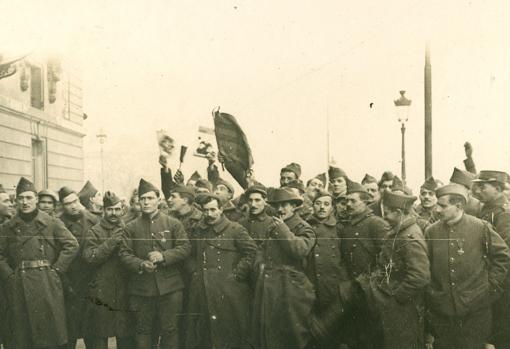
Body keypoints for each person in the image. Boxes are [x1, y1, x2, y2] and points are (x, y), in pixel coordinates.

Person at [425, 184, 510, 349]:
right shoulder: (431, 232)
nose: (437, 210)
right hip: (442, 311)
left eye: (443, 205)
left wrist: (490, 286)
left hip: (475, 311)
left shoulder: (480, 227)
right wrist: (433, 292)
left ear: (459, 206)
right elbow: (426, 264)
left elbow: (502, 256)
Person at [0, 177, 79, 349]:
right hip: (18, 285)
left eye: (28, 198)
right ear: (16, 201)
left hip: (47, 285)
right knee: (22, 337)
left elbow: (71, 245)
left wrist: (56, 270)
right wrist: (9, 275)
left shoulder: (51, 222)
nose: (24, 202)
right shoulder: (8, 226)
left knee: (48, 335)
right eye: (20, 198)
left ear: (36, 198)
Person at [119, 179, 190, 349]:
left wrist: (163, 256)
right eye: (143, 199)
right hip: (142, 288)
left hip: (171, 288)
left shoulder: (173, 223)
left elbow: (185, 247)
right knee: (143, 330)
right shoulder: (131, 227)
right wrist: (141, 264)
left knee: (170, 330)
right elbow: (124, 253)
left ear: (159, 200)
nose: (146, 202)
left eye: (150, 198)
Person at [358, 190, 430, 348]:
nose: (384, 216)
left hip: (403, 309)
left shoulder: (409, 237)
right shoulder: (400, 231)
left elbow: (420, 276)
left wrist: (397, 298)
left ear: (398, 212)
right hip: (394, 307)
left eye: (388, 213)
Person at [186, 193, 256, 349]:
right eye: (205, 210)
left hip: (227, 292)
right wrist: (194, 272)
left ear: (222, 209)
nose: (209, 214)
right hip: (201, 290)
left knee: (228, 333)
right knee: (203, 334)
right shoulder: (197, 230)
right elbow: (188, 253)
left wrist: (237, 275)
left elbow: (251, 252)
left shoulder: (235, 229)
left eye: (213, 210)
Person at [252, 187, 316, 349]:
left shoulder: (304, 227)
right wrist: (259, 265)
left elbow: (299, 250)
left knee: (293, 334)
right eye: (277, 206)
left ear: (294, 206)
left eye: (284, 205)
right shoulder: (273, 226)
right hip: (270, 287)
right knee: (269, 332)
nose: (280, 210)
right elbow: (262, 249)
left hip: (291, 289)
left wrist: (282, 229)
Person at [82, 191, 134, 349]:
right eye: (110, 209)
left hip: (125, 288)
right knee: (100, 334)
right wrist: (111, 242)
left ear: (122, 210)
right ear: (103, 210)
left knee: (125, 335)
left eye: (117, 209)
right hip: (102, 290)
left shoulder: (128, 228)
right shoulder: (94, 231)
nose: (114, 213)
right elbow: (90, 257)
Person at [58, 186, 100, 349]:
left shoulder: (94, 220)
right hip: (69, 283)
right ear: (62, 205)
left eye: (75, 201)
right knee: (70, 330)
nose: (73, 206)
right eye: (68, 203)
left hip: (91, 280)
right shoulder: (57, 222)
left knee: (93, 332)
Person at [472, 170, 510, 347]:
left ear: (497, 188)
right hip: (488, 279)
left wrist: (493, 281)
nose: (477, 190)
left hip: (501, 282)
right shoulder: (486, 208)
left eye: (482, 186)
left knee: (500, 329)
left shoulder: (503, 213)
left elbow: (503, 250)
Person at [306, 190, 349, 348]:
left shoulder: (339, 228)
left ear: (332, 207)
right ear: (313, 206)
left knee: (332, 331)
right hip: (310, 285)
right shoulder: (305, 225)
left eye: (326, 204)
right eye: (318, 203)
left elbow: (345, 258)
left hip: (332, 286)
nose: (322, 208)